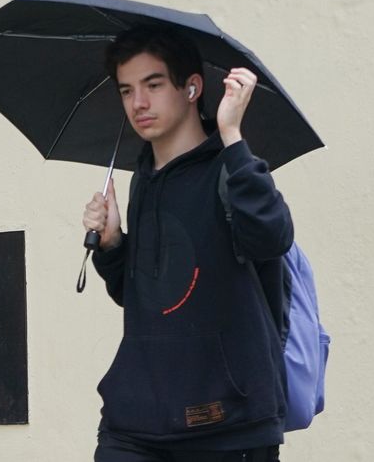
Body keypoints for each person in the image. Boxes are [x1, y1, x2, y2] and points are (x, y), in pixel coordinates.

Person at [83, 26, 293, 462]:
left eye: (153, 85)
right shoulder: (144, 179)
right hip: (138, 418)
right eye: (127, 90)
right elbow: (148, 298)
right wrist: (113, 244)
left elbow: (272, 237)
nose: (138, 103)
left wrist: (232, 136)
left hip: (226, 422)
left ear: (192, 87)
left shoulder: (230, 169)